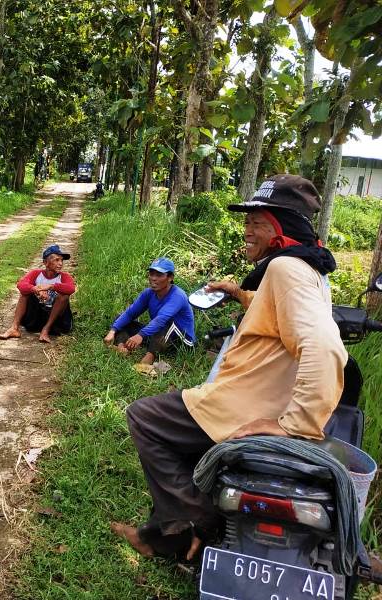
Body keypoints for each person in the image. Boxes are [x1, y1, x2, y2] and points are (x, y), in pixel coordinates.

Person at [110, 174, 347, 561]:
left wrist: (295, 425)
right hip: (260, 399)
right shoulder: (308, 269)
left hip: (243, 406)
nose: (247, 231)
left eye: (257, 223)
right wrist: (237, 292)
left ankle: (204, 520)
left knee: (144, 417)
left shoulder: (287, 269)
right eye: (247, 222)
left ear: (283, 227)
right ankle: (162, 539)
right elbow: (280, 316)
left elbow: (324, 346)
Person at [103, 257, 195, 364]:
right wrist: (112, 331)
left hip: (181, 340)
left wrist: (140, 335)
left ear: (170, 277)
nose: (153, 278)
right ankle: (121, 347)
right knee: (121, 318)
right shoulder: (148, 293)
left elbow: (160, 320)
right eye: (151, 274)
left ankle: (149, 357)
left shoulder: (178, 295)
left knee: (163, 323)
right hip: (158, 335)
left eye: (159, 275)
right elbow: (130, 313)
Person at [0, 244, 76, 343]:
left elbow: (71, 288)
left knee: (64, 296)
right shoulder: (36, 274)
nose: (60, 263)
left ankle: (46, 329)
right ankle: (14, 328)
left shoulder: (64, 276)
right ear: (45, 262)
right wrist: (35, 289)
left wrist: (51, 286)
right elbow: (21, 285)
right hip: (36, 317)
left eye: (61, 260)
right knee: (24, 293)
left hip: (56, 321)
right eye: (56, 260)